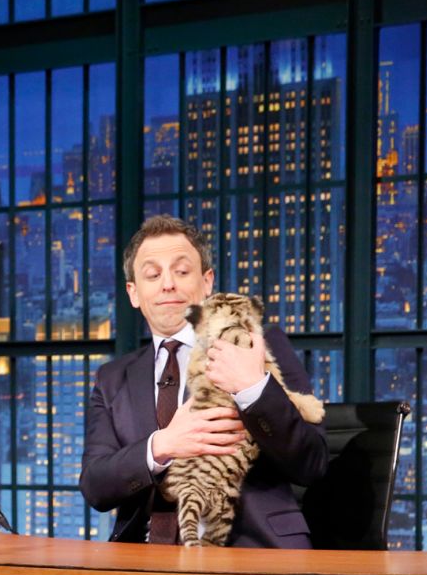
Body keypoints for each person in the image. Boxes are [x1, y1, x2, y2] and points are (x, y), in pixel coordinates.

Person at [80, 215, 328, 546]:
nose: (168, 284)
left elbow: (312, 463)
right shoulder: (113, 377)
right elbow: (95, 485)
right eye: (153, 275)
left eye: (182, 271)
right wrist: (163, 445)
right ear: (134, 292)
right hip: (143, 559)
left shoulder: (256, 340)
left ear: (207, 281)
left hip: (251, 552)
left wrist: (253, 389)